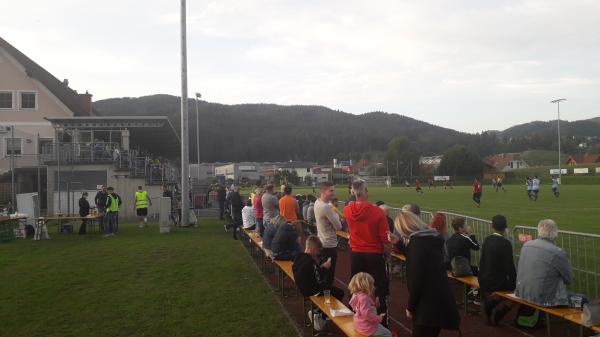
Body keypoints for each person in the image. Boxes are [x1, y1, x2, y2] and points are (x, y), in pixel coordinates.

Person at [392, 211, 460, 337]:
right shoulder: (429, 238)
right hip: (439, 298)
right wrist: (399, 244)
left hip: (426, 305)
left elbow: (417, 279)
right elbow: (417, 258)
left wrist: (411, 307)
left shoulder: (417, 243)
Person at [344, 180, 391, 328]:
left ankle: (359, 319)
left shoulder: (347, 209)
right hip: (374, 255)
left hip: (356, 254)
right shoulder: (377, 211)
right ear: (366, 191)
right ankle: (383, 324)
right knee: (380, 289)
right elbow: (385, 239)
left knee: (357, 287)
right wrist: (388, 255)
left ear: (353, 193)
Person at [515, 219, 572, 307]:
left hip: (522, 293)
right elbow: (569, 278)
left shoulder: (526, 245)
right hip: (544, 300)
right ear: (555, 233)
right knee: (582, 299)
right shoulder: (557, 252)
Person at [478, 214, 516, 326]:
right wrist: (514, 284)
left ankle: (491, 303)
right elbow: (510, 267)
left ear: (492, 226)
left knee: (506, 289)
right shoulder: (505, 244)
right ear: (505, 227)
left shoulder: (487, 240)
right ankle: (498, 308)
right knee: (517, 295)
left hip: (483, 278)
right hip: (495, 282)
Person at [293, 235, 344, 300]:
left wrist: (322, 266)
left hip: (302, 288)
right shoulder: (310, 262)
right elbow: (319, 278)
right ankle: (325, 309)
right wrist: (325, 268)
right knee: (340, 293)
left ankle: (320, 308)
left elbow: (312, 273)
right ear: (313, 249)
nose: (317, 253)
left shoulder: (298, 257)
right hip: (312, 291)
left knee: (328, 287)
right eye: (317, 250)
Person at [314, 182, 343, 288]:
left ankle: (322, 297)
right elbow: (339, 226)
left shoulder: (317, 202)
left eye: (333, 190)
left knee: (322, 273)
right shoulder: (326, 207)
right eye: (331, 190)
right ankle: (327, 300)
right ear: (323, 191)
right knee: (328, 276)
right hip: (329, 245)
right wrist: (334, 213)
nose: (333, 193)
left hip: (321, 242)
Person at [348, 272, 392, 337]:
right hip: (366, 327)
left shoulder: (356, 294)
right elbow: (366, 315)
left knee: (380, 328)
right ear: (367, 285)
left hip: (359, 323)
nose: (373, 286)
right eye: (372, 284)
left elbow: (360, 307)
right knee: (388, 333)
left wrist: (374, 305)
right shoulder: (364, 298)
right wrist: (379, 318)